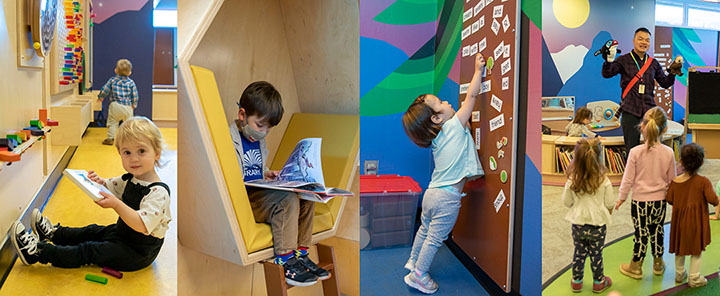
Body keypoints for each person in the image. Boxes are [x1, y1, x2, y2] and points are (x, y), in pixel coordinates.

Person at [10, 117, 171, 271]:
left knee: (89, 250)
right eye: (127, 152)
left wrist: (116, 204)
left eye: (141, 151)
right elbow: (110, 186)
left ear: (157, 153)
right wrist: (98, 181)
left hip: (137, 253)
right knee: (92, 231)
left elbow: (142, 224)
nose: (134, 159)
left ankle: (38, 253)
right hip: (123, 234)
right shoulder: (131, 179)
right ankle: (55, 234)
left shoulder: (158, 193)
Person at [400, 53, 486, 294]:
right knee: (435, 238)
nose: (449, 103)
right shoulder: (453, 125)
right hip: (446, 198)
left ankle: (413, 261)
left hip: (431, 194)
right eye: (441, 103)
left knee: (424, 230)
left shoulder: (437, 139)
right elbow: (471, 96)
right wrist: (478, 71)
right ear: (437, 118)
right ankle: (419, 275)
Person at [229, 81, 328, 287]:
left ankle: (301, 254)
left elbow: (254, 169)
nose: (264, 132)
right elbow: (233, 175)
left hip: (260, 192)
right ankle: (286, 260)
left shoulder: (258, 139)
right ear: (242, 115)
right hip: (246, 200)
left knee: (305, 193)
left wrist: (269, 175)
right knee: (287, 199)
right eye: (260, 125)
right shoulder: (230, 138)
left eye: (269, 128)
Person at [615, 107, 676, 279]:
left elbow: (627, 179)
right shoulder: (669, 152)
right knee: (657, 231)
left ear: (642, 127)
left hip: (639, 202)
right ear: (665, 129)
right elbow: (673, 179)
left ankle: (636, 266)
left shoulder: (635, 152)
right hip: (660, 202)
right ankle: (658, 263)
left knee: (640, 233)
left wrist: (621, 198)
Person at [601, 27, 677, 153]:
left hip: (650, 111)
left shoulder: (653, 63)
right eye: (640, 39)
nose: (644, 42)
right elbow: (607, 73)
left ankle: (652, 171)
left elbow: (665, 83)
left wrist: (673, 72)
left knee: (654, 147)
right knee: (632, 148)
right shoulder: (623, 60)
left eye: (647, 40)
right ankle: (633, 172)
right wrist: (609, 60)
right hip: (630, 110)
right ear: (634, 40)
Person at [562, 138, 614, 293]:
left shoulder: (572, 179)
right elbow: (610, 203)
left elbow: (566, 202)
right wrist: (608, 210)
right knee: (596, 254)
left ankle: (576, 281)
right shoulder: (604, 179)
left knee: (579, 252)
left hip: (578, 223)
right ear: (599, 156)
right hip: (597, 225)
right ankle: (599, 282)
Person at [667, 143, 719, 287]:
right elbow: (713, 200)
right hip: (697, 222)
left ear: (681, 161)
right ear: (701, 162)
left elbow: (669, 199)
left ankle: (679, 273)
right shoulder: (703, 182)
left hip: (679, 222)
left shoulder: (675, 182)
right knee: (696, 250)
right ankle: (694, 277)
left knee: (680, 248)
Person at [97, 59, 139, 146]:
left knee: (113, 123)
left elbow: (105, 90)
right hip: (127, 107)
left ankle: (110, 138)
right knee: (128, 125)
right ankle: (129, 140)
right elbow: (135, 95)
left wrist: (101, 97)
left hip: (115, 105)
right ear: (130, 72)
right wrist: (134, 104)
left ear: (116, 70)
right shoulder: (131, 83)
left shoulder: (112, 80)